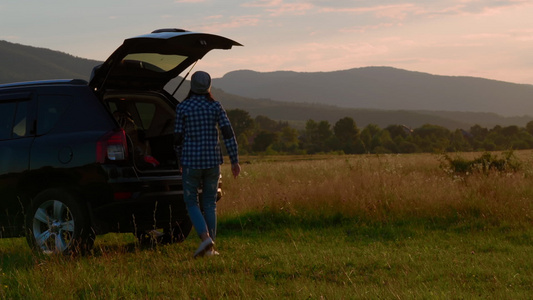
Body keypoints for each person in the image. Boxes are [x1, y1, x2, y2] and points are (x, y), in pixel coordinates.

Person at [174, 71, 241, 258]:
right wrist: (234, 160)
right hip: (213, 162)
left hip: (191, 162)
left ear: (192, 86)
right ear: (209, 86)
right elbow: (228, 133)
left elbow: (177, 139)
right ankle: (211, 248)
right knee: (210, 203)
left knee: (191, 202)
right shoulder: (216, 106)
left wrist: (180, 160)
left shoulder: (183, 107)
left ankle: (205, 238)